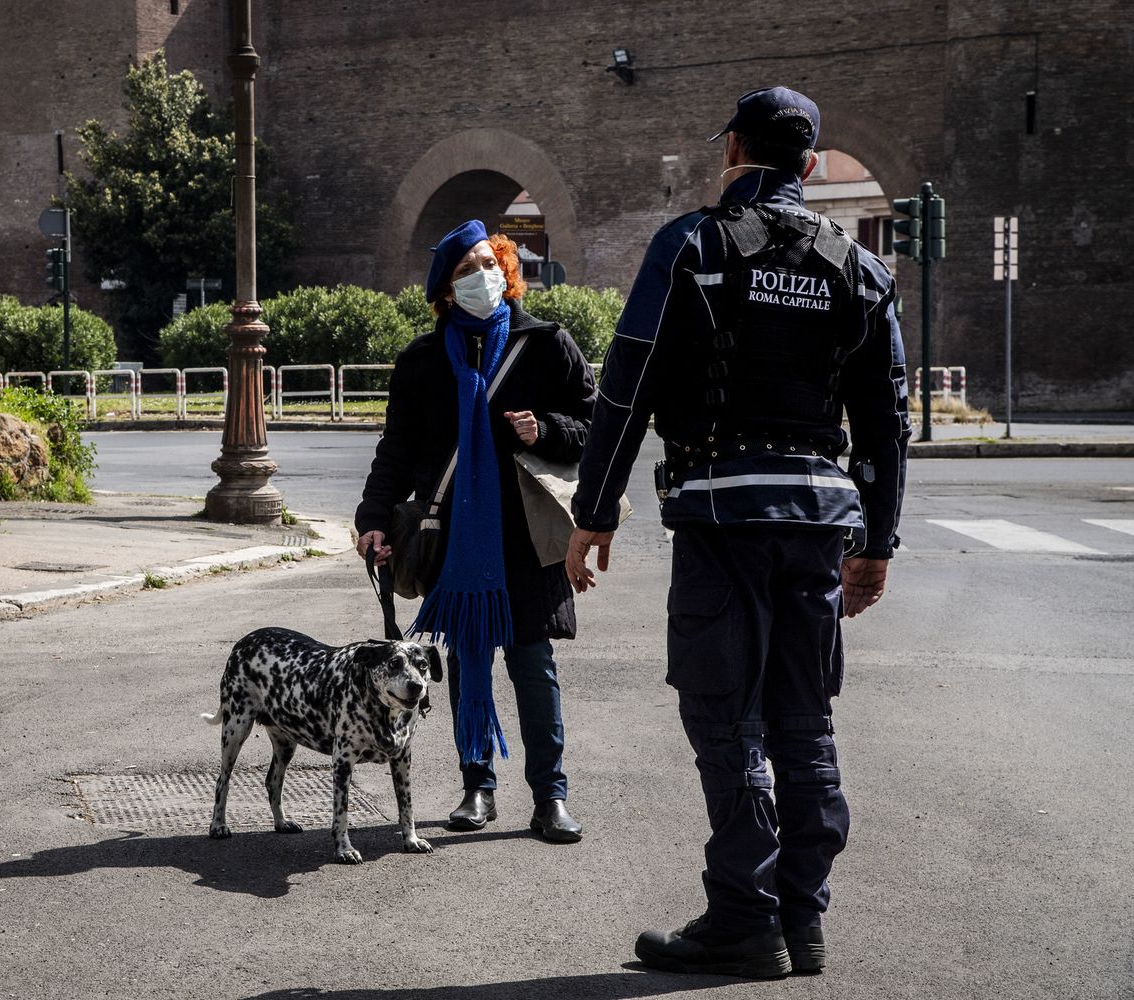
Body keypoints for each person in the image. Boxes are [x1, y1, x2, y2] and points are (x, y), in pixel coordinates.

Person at [565, 87, 910, 977]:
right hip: (820, 525)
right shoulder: (858, 268)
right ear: (806, 165)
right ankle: (804, 920)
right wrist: (878, 543)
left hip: (723, 515)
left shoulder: (692, 247)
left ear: (732, 150)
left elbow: (626, 385)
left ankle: (743, 920)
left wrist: (593, 513)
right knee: (804, 719)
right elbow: (885, 423)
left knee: (728, 719)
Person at [356, 220, 597, 843]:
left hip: (528, 537)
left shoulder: (546, 344)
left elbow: (594, 427)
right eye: (465, 271)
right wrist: (373, 520)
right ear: (444, 290)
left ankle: (551, 797)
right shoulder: (422, 361)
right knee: (465, 662)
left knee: (532, 662)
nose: (482, 276)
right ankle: (476, 787)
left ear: (508, 268)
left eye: (489, 262)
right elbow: (397, 449)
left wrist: (545, 429)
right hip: (454, 536)